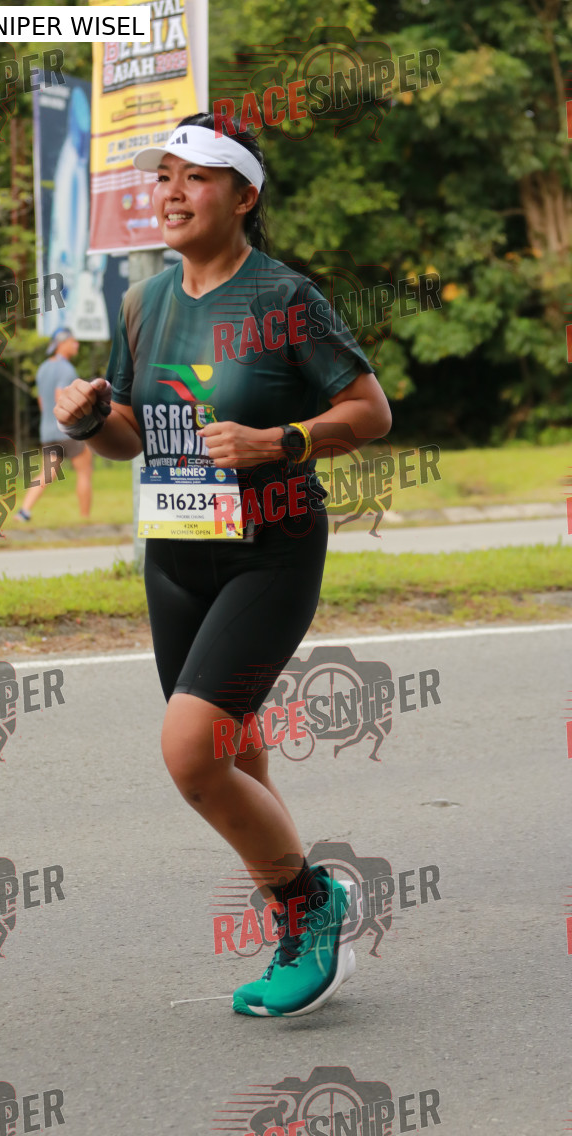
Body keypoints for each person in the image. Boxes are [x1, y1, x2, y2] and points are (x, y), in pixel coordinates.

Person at [53, 113, 392, 1018]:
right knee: (233, 748)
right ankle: (298, 929)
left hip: (269, 550)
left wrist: (281, 440)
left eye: (195, 176)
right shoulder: (144, 303)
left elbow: (370, 412)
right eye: (163, 175)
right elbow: (133, 435)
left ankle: (314, 906)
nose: (171, 192)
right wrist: (92, 418)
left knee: (190, 751)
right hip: (175, 555)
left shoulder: (286, 297)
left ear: (244, 196)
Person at [16, 328, 93, 523]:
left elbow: (42, 402)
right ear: (62, 343)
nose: (76, 344)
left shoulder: (43, 368)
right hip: (67, 430)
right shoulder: (67, 370)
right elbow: (61, 398)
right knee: (85, 470)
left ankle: (24, 511)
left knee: (47, 473)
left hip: (48, 430)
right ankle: (85, 520)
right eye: (73, 341)